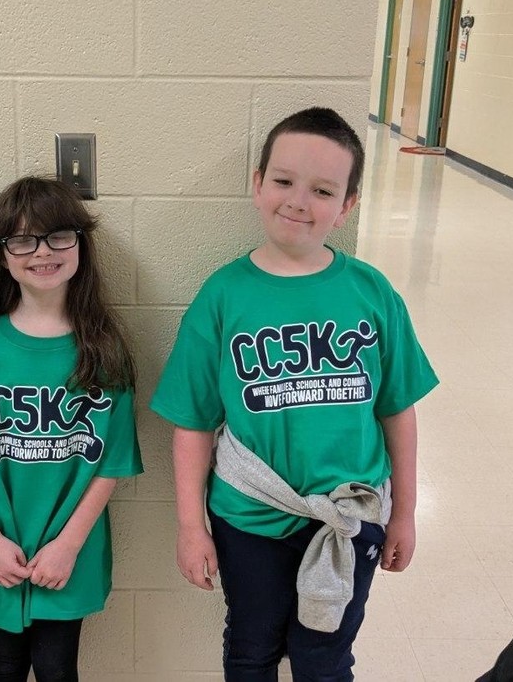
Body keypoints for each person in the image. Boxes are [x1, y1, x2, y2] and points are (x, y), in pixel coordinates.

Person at [150, 107, 439, 681]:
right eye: (283, 181)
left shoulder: (372, 293)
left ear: (348, 205)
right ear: (257, 186)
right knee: (252, 647)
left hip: (349, 515)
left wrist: (403, 512)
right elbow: (193, 423)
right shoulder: (224, 295)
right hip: (250, 517)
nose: (298, 201)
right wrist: (190, 526)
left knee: (324, 656)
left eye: (323, 190)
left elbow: (397, 412)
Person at [0, 176, 143, 682]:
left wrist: (68, 544)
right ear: (3, 254)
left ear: (81, 243)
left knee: (58, 667)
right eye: (22, 240)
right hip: (1, 545)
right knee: (3, 666)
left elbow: (114, 460)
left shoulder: (102, 347)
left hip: (69, 548)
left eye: (59, 236)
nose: (42, 252)